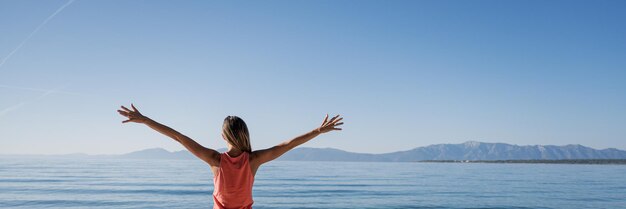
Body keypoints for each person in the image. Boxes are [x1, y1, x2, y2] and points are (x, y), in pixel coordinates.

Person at [117, 104, 343, 209]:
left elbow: (178, 137)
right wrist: (317, 131)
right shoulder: (253, 160)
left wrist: (146, 120)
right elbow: (289, 144)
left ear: (223, 136)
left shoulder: (215, 160)